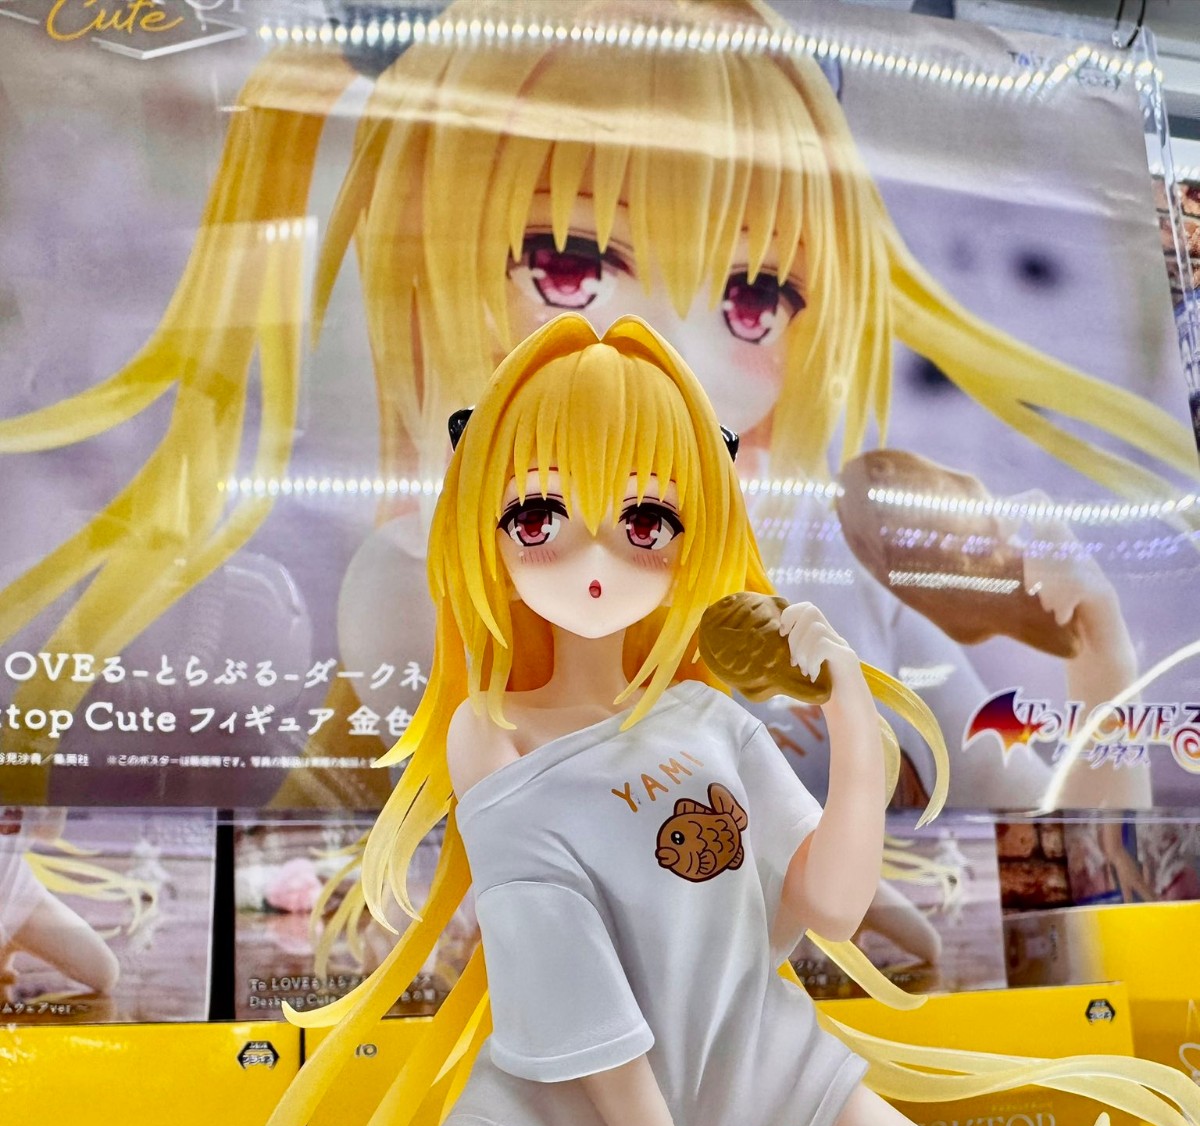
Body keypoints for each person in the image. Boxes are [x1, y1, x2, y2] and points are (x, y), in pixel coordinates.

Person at [183, 317, 1197, 1126]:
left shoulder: (713, 716)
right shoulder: (492, 734)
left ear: (694, 527)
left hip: (766, 1094)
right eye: (540, 515)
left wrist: (853, 724)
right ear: (486, 522)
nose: (595, 559)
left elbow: (823, 905)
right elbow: (561, 972)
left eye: (645, 520)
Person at [2, 0, 1195, 810]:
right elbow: (614, 846)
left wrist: (1102, 660)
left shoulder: (820, 569)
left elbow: (1043, 840)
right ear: (432, 267)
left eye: (754, 296)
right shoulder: (430, 576)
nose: (663, 352)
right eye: (571, 265)